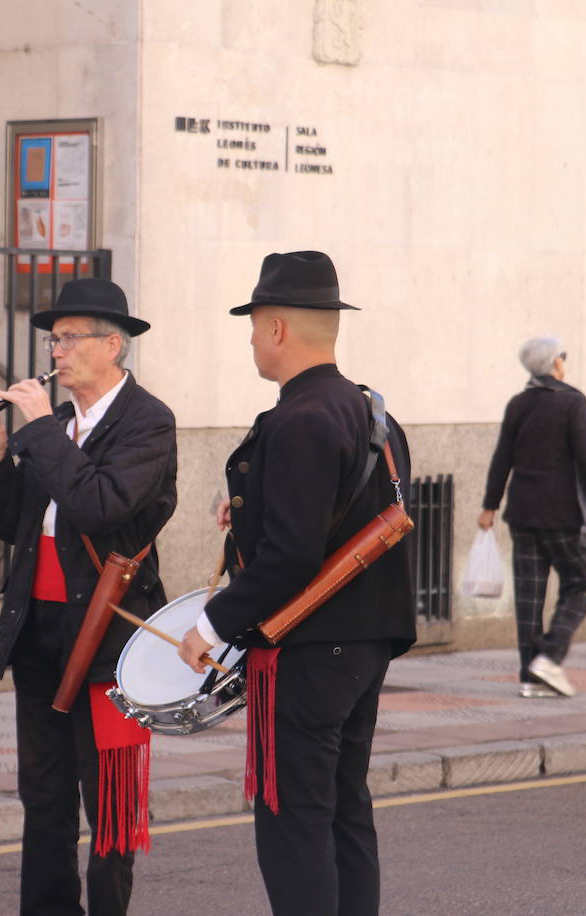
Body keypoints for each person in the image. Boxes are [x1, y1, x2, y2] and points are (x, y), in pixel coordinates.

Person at [177, 251, 416, 916]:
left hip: (308, 652)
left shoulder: (300, 418)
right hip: (365, 645)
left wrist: (211, 624)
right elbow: (349, 512)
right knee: (344, 812)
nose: (251, 339)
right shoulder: (373, 412)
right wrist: (251, 511)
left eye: (253, 325)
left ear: (277, 327)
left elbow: (290, 558)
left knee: (295, 822)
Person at [0, 278, 177, 916]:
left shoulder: (148, 421)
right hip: (40, 628)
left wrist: (35, 432)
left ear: (113, 345)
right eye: (53, 339)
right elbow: (16, 527)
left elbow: (98, 506)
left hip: (110, 637)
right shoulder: (54, 423)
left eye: (68, 338)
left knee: (109, 801)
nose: (55, 351)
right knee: (45, 796)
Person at [478, 336, 586, 698]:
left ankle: (531, 679)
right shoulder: (572, 402)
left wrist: (489, 507)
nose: (565, 362)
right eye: (562, 356)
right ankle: (549, 656)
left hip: (522, 515)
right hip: (561, 515)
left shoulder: (518, 404)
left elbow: (503, 458)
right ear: (554, 364)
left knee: (529, 598)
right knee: (581, 584)